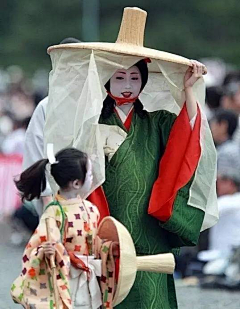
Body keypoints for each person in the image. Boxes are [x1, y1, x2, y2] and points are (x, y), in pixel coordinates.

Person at [44, 7, 218, 308]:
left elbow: (186, 140)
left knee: (150, 298)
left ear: (144, 81)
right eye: (120, 76)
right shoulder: (91, 122)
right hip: (106, 223)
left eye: (135, 77)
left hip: (147, 230)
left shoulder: (158, 122)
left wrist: (189, 90)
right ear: (107, 81)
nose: (127, 84)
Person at [11, 147, 102, 309]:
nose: (92, 177)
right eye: (89, 175)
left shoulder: (92, 210)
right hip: (64, 281)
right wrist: (48, 252)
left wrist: (108, 248)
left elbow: (96, 245)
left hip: (88, 280)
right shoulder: (54, 212)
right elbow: (35, 248)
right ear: (76, 183)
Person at [23, 37, 81, 216]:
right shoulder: (46, 107)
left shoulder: (94, 106)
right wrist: (47, 197)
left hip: (89, 194)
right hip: (55, 194)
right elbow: (36, 153)